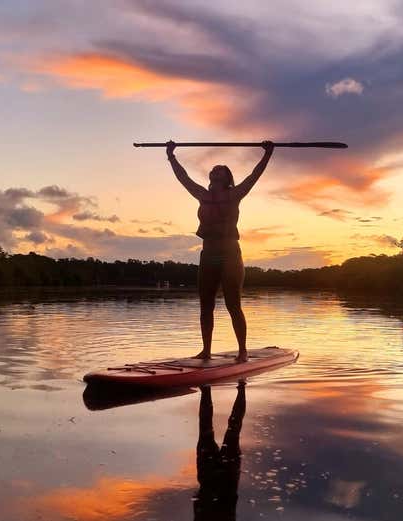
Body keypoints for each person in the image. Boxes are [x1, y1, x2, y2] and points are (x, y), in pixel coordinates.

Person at [167, 140, 274, 362]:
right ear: (210, 177)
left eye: (221, 170)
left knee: (233, 304)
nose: (216, 170)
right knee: (205, 306)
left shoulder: (235, 194)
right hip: (208, 255)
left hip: (230, 256)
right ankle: (206, 350)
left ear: (227, 178)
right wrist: (171, 155)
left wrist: (267, 153)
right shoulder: (202, 195)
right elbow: (182, 178)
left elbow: (255, 175)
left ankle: (242, 351)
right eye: (214, 169)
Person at [193, 383, 246, 521]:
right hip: (225, 481)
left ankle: (207, 388)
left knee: (222, 428)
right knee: (231, 429)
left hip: (211, 481)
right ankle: (241, 386)